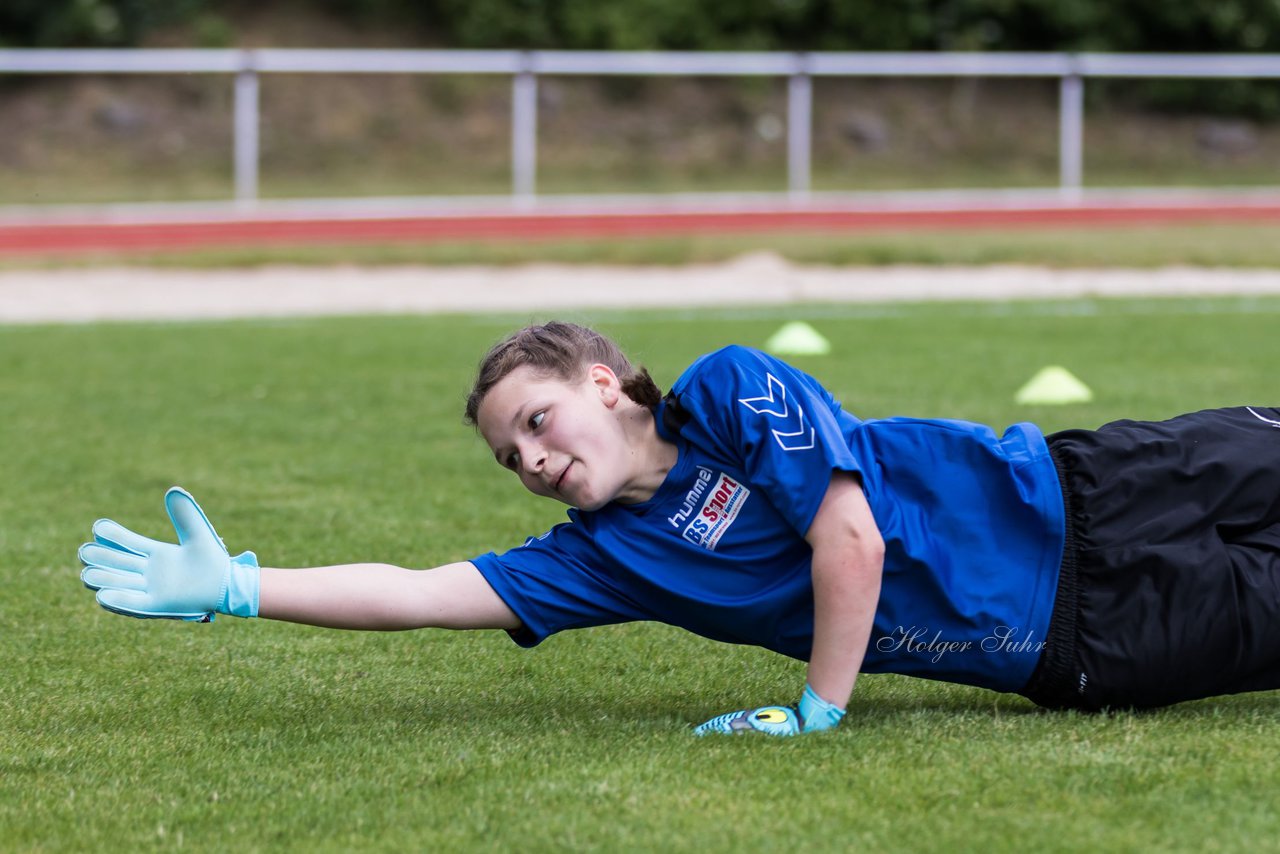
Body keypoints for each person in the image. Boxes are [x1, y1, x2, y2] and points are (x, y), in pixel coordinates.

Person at [78, 321, 1280, 735]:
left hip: (1098, 481)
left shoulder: (727, 391)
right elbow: (422, 588)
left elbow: (846, 540)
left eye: (538, 420)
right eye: (512, 456)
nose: (534, 460)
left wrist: (821, 706)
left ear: (604, 381)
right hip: (1092, 633)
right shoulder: (602, 559)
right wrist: (243, 583)